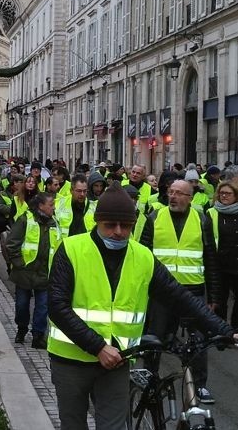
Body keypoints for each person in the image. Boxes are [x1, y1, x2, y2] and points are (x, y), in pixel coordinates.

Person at [47, 182, 237, 430]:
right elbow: (57, 307)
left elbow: (179, 297)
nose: (118, 232)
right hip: (71, 360)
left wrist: (225, 330)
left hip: (118, 361)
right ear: (96, 221)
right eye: (110, 225)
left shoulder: (143, 256)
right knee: (73, 425)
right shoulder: (72, 249)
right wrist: (98, 347)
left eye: (125, 226)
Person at [142, 179, 219, 403]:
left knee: (199, 341)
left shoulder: (201, 219)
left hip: (192, 291)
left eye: (179, 193)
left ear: (190, 198)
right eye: (171, 192)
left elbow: (210, 258)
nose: (173, 196)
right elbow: (143, 255)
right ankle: (149, 377)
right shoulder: (154, 217)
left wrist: (213, 297)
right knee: (154, 337)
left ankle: (200, 385)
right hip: (162, 292)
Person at [7, 192, 60, 348]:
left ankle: (38, 335)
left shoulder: (53, 223)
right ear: (41, 206)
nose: (53, 208)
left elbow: (57, 246)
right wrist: (19, 263)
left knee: (43, 307)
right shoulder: (25, 220)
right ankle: (22, 329)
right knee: (22, 305)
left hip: (44, 273)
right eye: (51, 205)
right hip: (25, 273)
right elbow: (12, 243)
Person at [206, 181, 238, 328]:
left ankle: (236, 328)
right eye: (222, 193)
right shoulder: (212, 213)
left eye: (228, 194)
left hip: (236, 263)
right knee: (220, 299)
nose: (224, 196)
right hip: (219, 264)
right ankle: (221, 330)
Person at [0, 174, 27, 273]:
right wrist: (12, 210)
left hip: (22, 226)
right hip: (7, 226)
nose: (24, 185)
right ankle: (9, 266)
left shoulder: (26, 194)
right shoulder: (3, 194)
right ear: (14, 183)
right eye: (21, 183)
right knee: (6, 247)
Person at [54, 174, 96, 239]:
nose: (82, 194)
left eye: (85, 191)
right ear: (71, 191)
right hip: (65, 246)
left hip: (85, 246)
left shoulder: (93, 207)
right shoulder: (59, 204)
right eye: (79, 191)